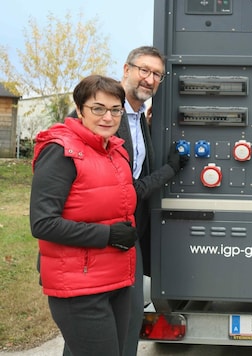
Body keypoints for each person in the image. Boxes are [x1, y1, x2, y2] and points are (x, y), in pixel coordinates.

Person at [61, 46, 188, 356]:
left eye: (157, 74)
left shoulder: (139, 120)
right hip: (93, 239)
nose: (149, 78)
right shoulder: (98, 120)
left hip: (127, 238)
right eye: (143, 69)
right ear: (126, 69)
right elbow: (125, 189)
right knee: (90, 334)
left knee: (129, 324)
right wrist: (170, 170)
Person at [30, 75, 137, 355]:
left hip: (116, 280)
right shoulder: (61, 151)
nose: (108, 117)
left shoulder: (115, 152)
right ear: (79, 110)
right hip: (80, 288)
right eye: (98, 108)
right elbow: (43, 223)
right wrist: (108, 235)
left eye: (115, 109)